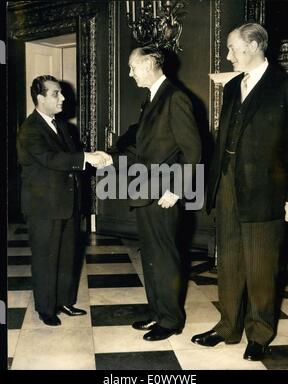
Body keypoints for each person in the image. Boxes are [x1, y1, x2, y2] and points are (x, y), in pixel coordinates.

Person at [191, 23, 288, 361]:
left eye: (233, 49)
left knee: (261, 268)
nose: (227, 56)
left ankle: (260, 333)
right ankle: (228, 327)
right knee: (230, 264)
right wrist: (214, 186)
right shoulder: (234, 85)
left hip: (267, 194)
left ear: (254, 46)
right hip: (227, 187)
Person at [108, 46, 202, 341]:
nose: (130, 73)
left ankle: (172, 320)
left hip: (165, 194)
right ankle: (157, 312)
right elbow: (144, 146)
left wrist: (177, 189)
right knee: (151, 256)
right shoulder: (152, 98)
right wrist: (110, 158)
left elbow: (193, 150)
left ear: (149, 65)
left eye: (133, 67)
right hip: (147, 191)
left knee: (164, 257)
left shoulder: (175, 98)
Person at [17, 75, 111, 326]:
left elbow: (70, 157)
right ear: (40, 98)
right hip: (44, 206)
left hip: (66, 203)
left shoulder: (61, 126)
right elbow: (51, 159)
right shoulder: (30, 129)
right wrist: (86, 158)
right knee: (46, 257)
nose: (63, 98)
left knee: (67, 254)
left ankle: (64, 302)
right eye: (56, 93)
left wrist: (94, 156)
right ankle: (46, 309)